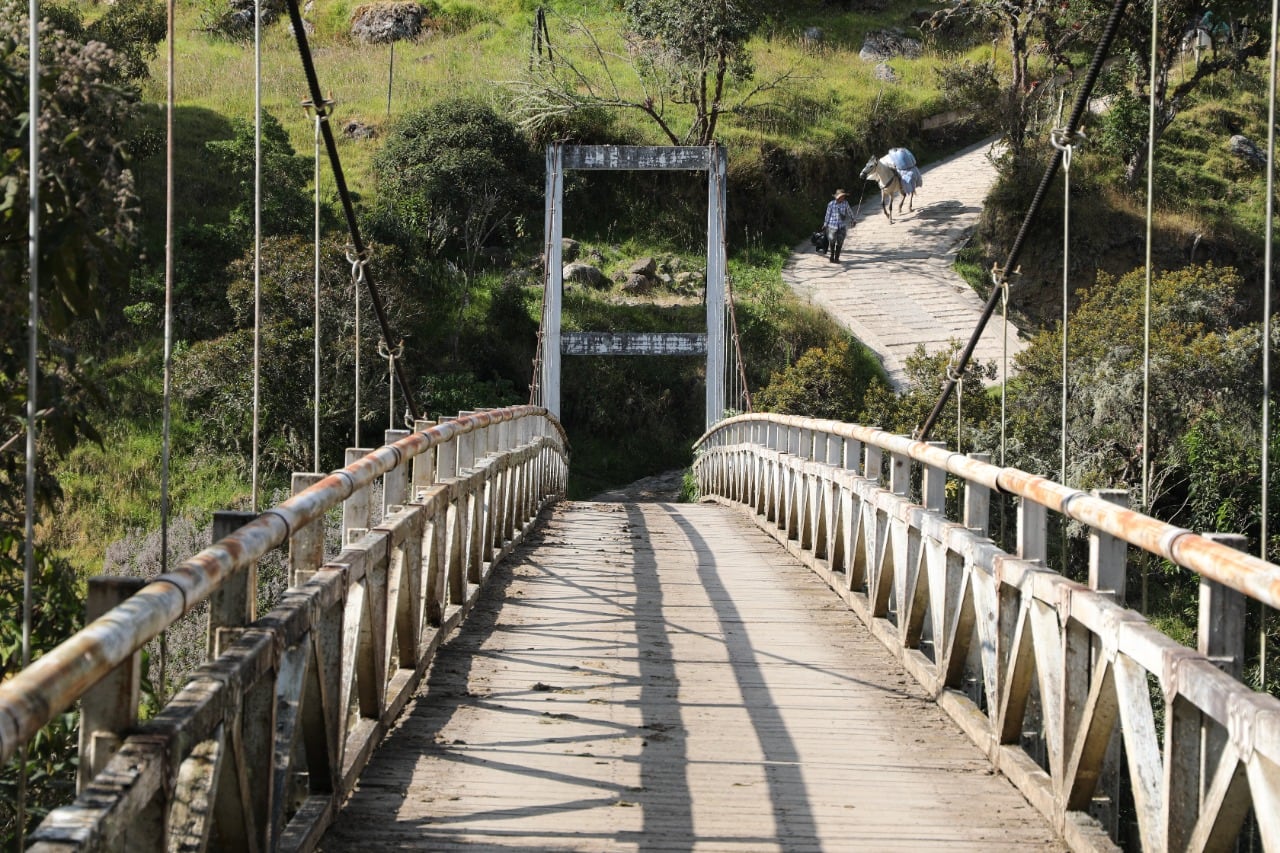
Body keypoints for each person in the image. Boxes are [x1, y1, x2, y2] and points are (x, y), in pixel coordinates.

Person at [823, 188, 854, 263]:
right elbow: (827, 215)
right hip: (832, 226)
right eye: (841, 196)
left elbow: (849, 211)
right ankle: (832, 256)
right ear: (837, 197)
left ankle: (837, 258)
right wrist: (825, 224)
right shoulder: (831, 204)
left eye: (844, 196)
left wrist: (853, 219)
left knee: (840, 242)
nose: (843, 198)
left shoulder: (845, 203)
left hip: (842, 226)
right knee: (832, 241)